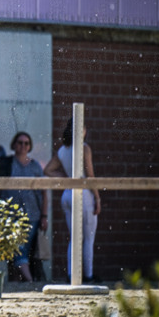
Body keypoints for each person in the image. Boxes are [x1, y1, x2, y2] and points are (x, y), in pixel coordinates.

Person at [44, 118, 101, 283]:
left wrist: (65, 177)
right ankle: (88, 275)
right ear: (81, 130)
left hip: (67, 194)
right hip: (83, 194)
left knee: (74, 237)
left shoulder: (63, 150)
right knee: (88, 238)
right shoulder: (84, 148)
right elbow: (90, 176)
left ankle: (71, 274)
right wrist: (97, 197)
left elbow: (47, 170)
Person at [4, 131, 50, 283]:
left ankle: (29, 280)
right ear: (14, 144)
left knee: (22, 249)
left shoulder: (35, 166)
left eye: (26, 143)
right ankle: (24, 281)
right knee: (18, 249)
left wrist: (44, 216)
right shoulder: (8, 164)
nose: (23, 146)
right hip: (11, 215)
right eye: (20, 142)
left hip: (32, 215)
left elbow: (44, 193)